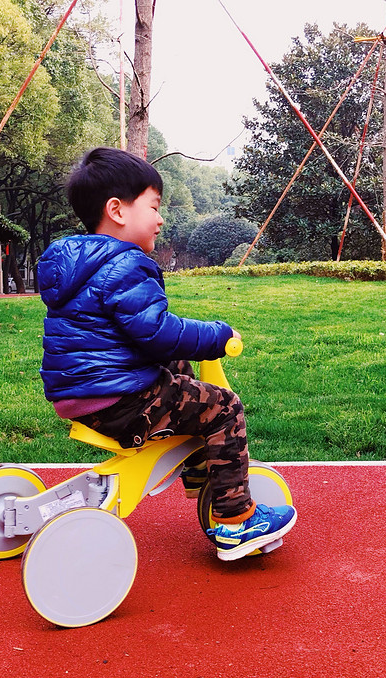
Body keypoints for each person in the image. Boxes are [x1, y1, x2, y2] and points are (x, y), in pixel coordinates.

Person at [37, 147, 296, 560]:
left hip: (80, 392)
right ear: (118, 211)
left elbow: (137, 335)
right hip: (120, 400)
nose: (160, 219)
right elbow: (158, 333)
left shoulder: (77, 264)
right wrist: (216, 335)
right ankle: (236, 523)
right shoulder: (126, 264)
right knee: (223, 406)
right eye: (154, 206)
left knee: (179, 372)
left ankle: (198, 466)